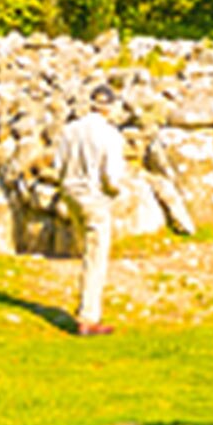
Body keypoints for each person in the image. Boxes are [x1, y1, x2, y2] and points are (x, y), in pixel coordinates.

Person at [54, 83, 127, 336]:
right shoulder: (111, 135)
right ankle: (88, 317)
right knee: (96, 257)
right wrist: (116, 193)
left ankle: (85, 306)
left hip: (71, 195)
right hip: (94, 198)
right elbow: (111, 177)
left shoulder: (70, 130)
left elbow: (58, 165)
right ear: (110, 107)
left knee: (85, 250)